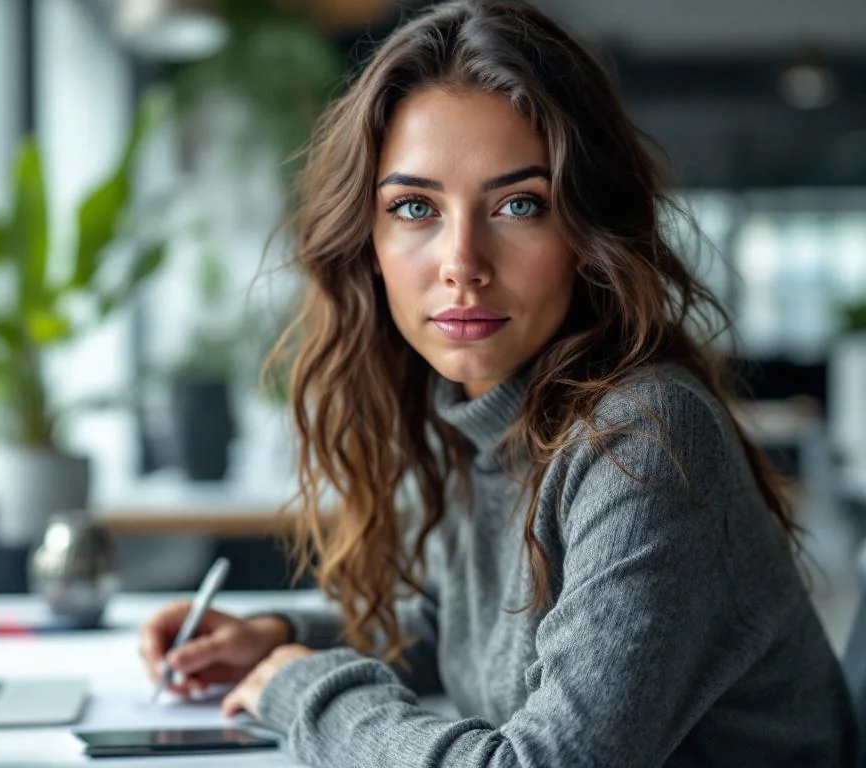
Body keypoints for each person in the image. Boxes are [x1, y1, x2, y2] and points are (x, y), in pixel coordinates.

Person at [139, 1, 859, 765]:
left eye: (520, 205)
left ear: (587, 236)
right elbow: (467, 631)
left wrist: (303, 692)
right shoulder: (486, 413)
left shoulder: (645, 438)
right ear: (368, 242)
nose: (461, 262)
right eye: (415, 207)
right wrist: (279, 640)